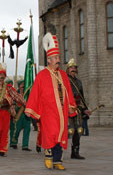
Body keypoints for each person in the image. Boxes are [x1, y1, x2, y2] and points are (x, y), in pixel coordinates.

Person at [25, 32, 77, 170]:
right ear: (49, 60)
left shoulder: (64, 75)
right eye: (55, 57)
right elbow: (35, 93)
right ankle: (48, 158)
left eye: (58, 57)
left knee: (61, 135)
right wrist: (30, 108)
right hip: (48, 112)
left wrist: (71, 105)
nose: (58, 60)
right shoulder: (42, 75)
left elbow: (68, 92)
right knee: (51, 134)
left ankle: (58, 161)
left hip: (62, 111)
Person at [0, 63, 26, 157]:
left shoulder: (8, 86)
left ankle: (2, 149)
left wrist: (26, 103)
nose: (2, 76)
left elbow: (16, 96)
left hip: (7, 111)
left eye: (3, 74)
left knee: (5, 130)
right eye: (0, 74)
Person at [66, 58, 91, 159]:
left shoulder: (79, 82)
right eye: (71, 67)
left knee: (79, 130)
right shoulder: (65, 80)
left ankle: (75, 152)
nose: (73, 69)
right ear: (68, 69)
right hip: (67, 108)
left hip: (77, 108)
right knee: (69, 130)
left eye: (74, 67)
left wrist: (85, 108)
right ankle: (56, 152)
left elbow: (82, 97)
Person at [10, 77, 32, 151]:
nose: (22, 85)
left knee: (27, 129)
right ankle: (14, 142)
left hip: (26, 113)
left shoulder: (28, 94)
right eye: (21, 84)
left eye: (23, 84)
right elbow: (13, 102)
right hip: (18, 112)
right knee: (17, 129)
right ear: (19, 85)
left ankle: (25, 145)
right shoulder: (15, 93)